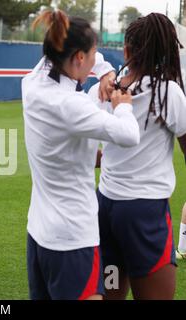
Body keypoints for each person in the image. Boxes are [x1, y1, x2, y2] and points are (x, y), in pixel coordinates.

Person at [22, 9, 140, 300]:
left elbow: (65, 55)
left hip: (39, 234)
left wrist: (105, 72)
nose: (93, 60)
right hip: (73, 239)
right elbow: (129, 134)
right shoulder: (71, 105)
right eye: (91, 55)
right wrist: (121, 103)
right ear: (77, 58)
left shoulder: (33, 81)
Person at [88, 13, 186, 300]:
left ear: (127, 50)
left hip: (105, 210)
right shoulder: (168, 92)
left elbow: (93, 149)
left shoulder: (106, 90)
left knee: (111, 290)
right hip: (144, 216)